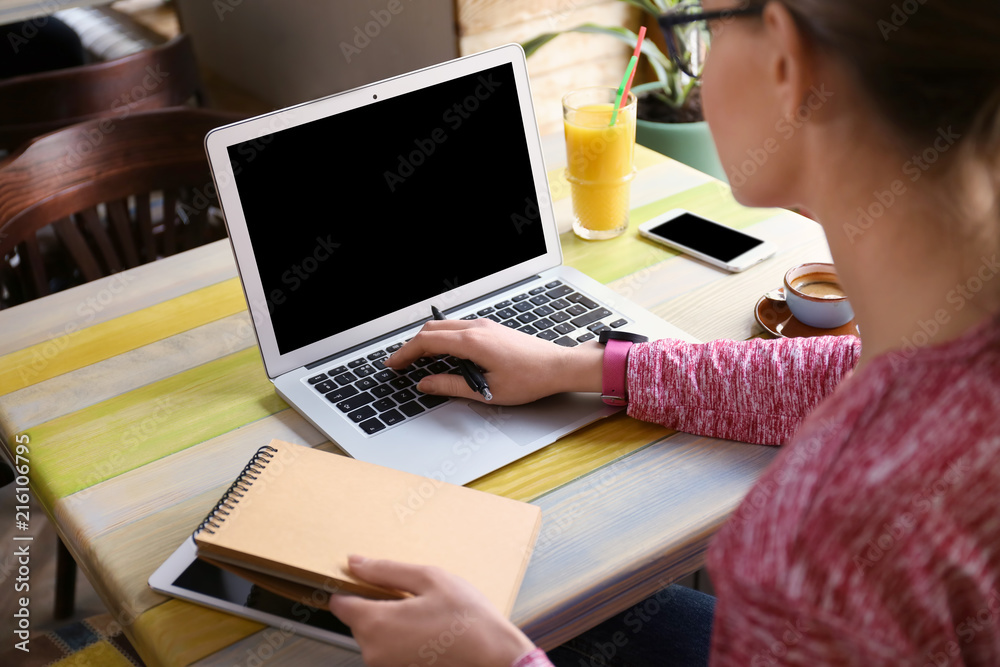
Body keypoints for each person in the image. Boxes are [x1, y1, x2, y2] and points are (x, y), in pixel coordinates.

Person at [327, 0, 1000, 664]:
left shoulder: (836, 546)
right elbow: (845, 373)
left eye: (702, 26)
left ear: (787, 66)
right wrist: (581, 367)